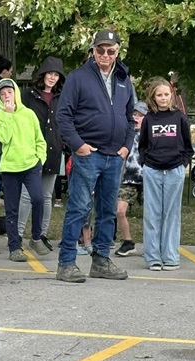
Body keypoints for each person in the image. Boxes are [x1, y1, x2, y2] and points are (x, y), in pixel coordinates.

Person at [55, 29, 135, 283]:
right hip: (89, 153)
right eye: (100, 49)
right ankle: (66, 262)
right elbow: (63, 116)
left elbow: (130, 116)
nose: (105, 54)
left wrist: (126, 145)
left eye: (111, 50)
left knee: (107, 210)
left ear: (117, 52)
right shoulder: (78, 78)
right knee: (78, 208)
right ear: (92, 50)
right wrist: (78, 144)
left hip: (115, 154)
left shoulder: (124, 78)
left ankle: (101, 260)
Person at [0, 79, 50, 262]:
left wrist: (40, 159)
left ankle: (35, 237)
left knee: (38, 199)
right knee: (12, 209)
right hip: (10, 168)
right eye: (2, 94)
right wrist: (8, 115)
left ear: (15, 92)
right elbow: (5, 138)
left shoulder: (29, 114)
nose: (6, 95)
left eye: (9, 91)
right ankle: (14, 247)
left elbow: (40, 139)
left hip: (31, 165)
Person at [139, 78, 193, 271]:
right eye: (159, 95)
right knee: (152, 214)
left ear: (172, 95)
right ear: (153, 97)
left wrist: (183, 162)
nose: (163, 98)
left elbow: (188, 145)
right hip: (152, 170)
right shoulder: (149, 119)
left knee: (171, 214)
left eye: (166, 94)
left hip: (174, 170)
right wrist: (146, 162)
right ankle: (153, 257)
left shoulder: (179, 117)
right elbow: (142, 145)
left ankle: (170, 256)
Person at [18, 56, 66, 252]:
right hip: (31, 151)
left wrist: (64, 143)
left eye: (56, 75)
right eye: (50, 73)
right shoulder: (27, 95)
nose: (52, 78)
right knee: (26, 195)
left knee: (47, 195)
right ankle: (19, 235)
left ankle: (41, 235)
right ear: (42, 74)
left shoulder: (62, 97)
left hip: (54, 151)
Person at [115, 101, 146, 258]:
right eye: (134, 115)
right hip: (129, 177)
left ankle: (152, 243)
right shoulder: (126, 133)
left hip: (148, 178)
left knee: (152, 213)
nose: (137, 118)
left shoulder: (150, 133)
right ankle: (128, 241)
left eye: (141, 116)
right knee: (120, 210)